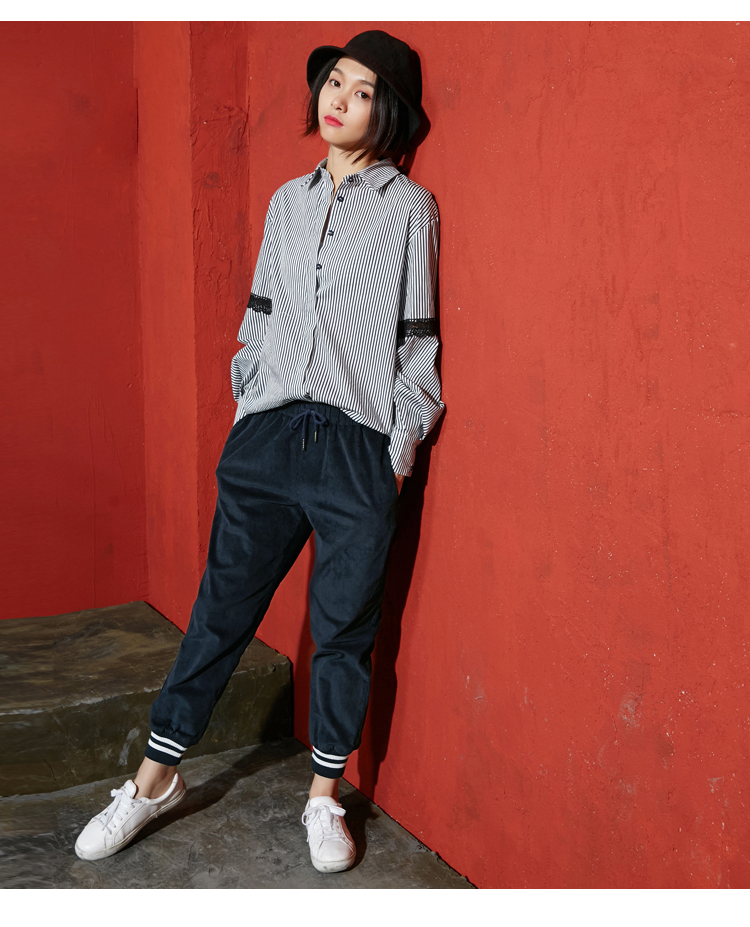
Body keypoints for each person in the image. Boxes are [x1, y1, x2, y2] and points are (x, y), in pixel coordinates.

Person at [75, 29, 445, 874]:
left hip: (355, 446)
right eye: (333, 81)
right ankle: (154, 781)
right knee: (219, 615)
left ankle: (324, 795)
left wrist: (394, 454)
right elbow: (262, 315)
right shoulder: (287, 201)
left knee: (343, 632)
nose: (338, 98)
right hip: (268, 437)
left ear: (389, 111)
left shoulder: (409, 209)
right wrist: (247, 407)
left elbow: (417, 342)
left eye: (361, 89)